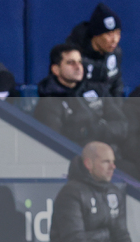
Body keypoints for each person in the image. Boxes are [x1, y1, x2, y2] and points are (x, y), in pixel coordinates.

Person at [34, 43, 135, 178]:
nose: (78, 67)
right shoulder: (49, 103)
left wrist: (93, 130)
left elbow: (122, 126)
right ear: (56, 69)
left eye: (80, 62)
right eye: (71, 63)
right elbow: (56, 146)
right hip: (82, 167)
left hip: (115, 159)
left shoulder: (97, 90)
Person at [66, 2, 123, 97]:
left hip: (108, 107)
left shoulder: (115, 53)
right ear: (95, 34)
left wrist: (117, 108)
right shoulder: (75, 56)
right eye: (109, 34)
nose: (115, 40)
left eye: (118, 33)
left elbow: (117, 85)